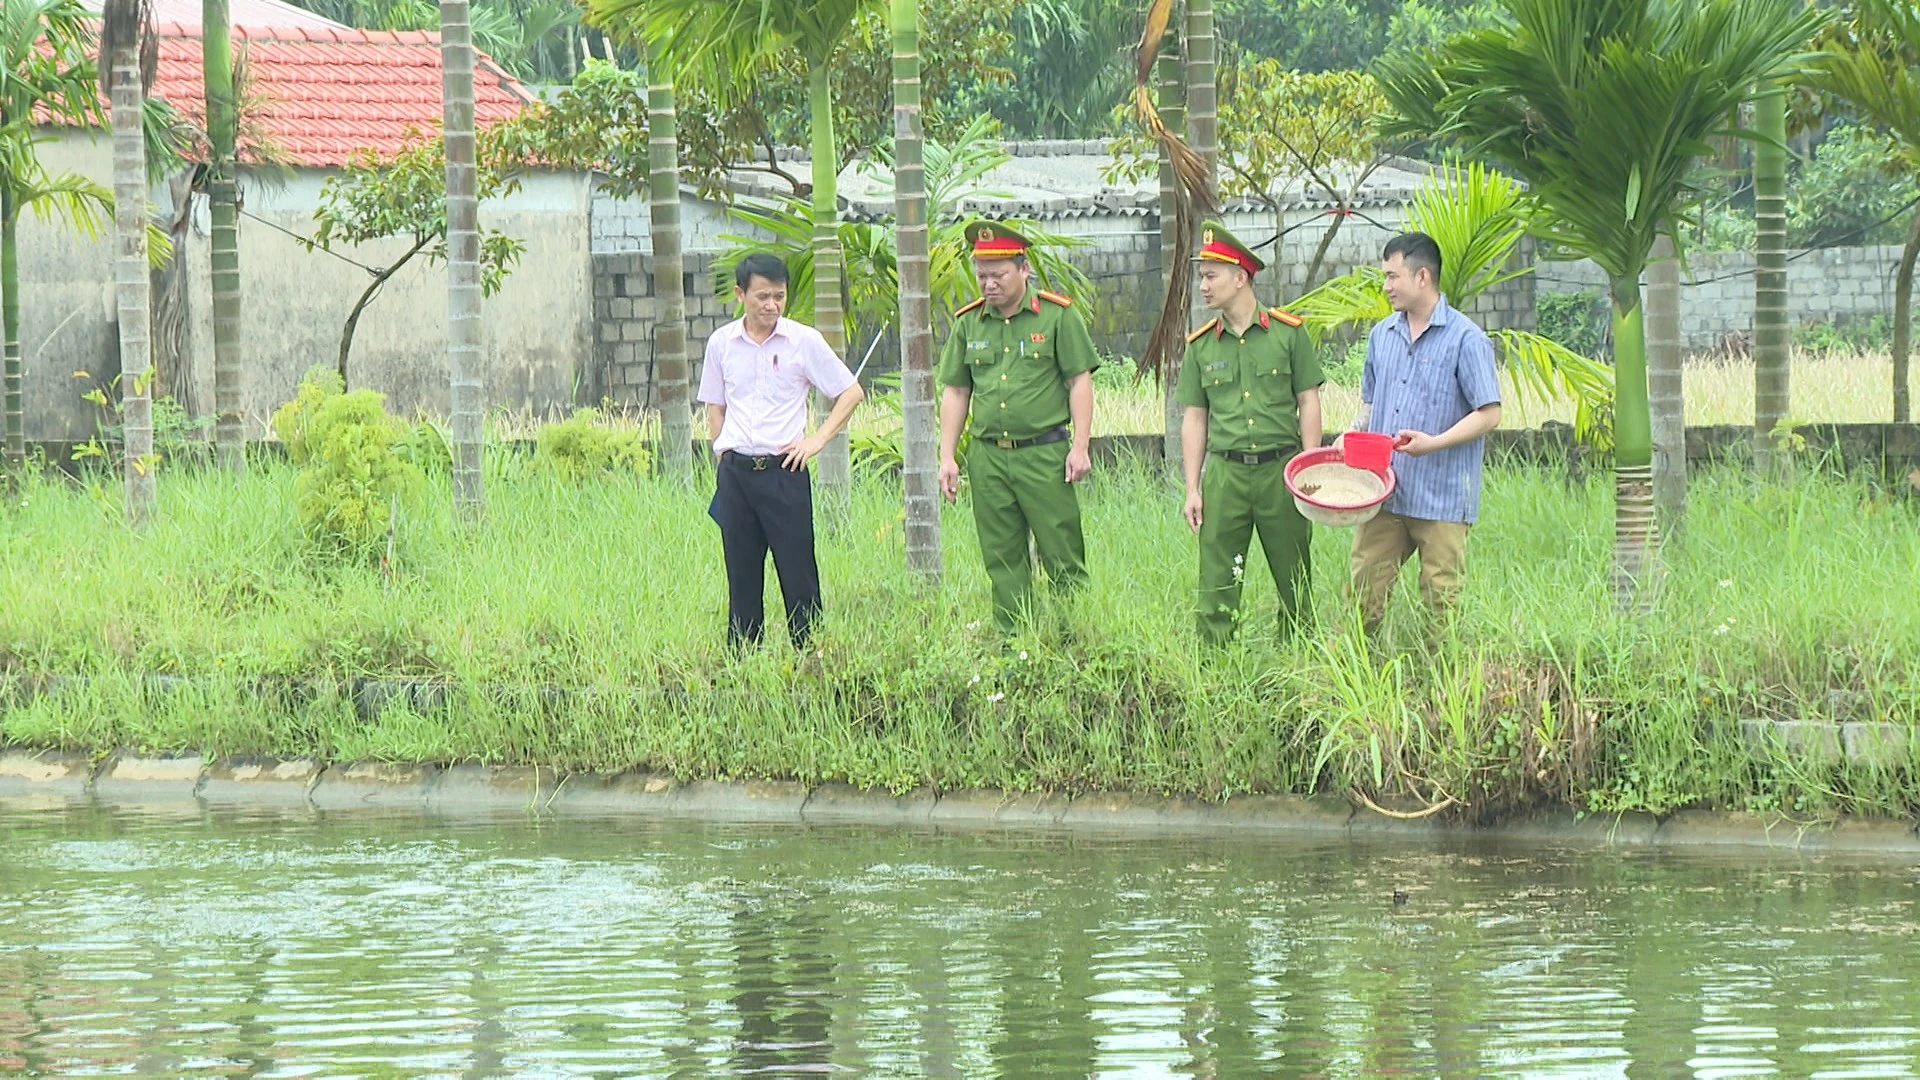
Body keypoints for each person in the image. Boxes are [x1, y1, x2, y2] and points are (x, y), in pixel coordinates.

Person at [936, 221, 1098, 633]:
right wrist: (947, 456)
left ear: (1024, 269)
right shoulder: (969, 324)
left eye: (998, 274)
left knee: (1061, 553)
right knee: (1002, 558)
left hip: (1044, 455)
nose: (988, 284)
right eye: (981, 274)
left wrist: (1080, 446)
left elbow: (1079, 381)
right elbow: (956, 391)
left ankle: (1073, 638)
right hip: (988, 458)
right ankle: (1016, 645)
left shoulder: (1058, 316)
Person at [698, 251, 865, 648]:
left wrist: (816, 440)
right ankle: (744, 661)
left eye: (779, 296)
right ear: (740, 294)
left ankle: (810, 655)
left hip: (784, 472)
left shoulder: (803, 341)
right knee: (741, 574)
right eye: (762, 296)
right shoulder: (721, 343)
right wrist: (722, 452)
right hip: (736, 475)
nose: (772, 305)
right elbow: (715, 404)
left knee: (797, 571)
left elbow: (850, 392)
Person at [1176, 221, 1323, 643]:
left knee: (1293, 574)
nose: (1203, 286)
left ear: (1240, 277)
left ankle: (1299, 652)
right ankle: (1215, 658)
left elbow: (1309, 401)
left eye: (1211, 276)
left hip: (1281, 472)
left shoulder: (1288, 334)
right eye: (1201, 277)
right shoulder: (1201, 345)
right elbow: (1195, 418)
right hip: (1226, 476)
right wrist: (1192, 488)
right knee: (1217, 578)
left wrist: (1309, 467)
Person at [1349, 231, 1501, 632]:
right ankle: (1355, 668)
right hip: (1385, 492)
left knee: (1441, 603)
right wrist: (1351, 433)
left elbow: (1489, 413)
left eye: (1392, 276)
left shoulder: (1467, 339)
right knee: (1362, 596)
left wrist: (1434, 443)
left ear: (1422, 277)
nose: (1386, 286)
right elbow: (1371, 402)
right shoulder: (1382, 335)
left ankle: (1441, 672)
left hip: (1442, 498)